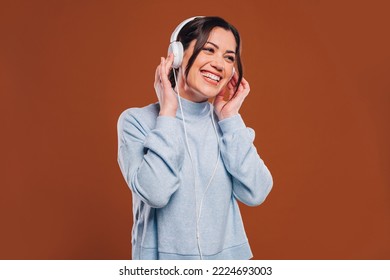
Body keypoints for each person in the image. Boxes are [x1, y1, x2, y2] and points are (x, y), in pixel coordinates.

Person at [117, 16, 273, 260]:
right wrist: (167, 114)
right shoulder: (136, 121)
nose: (219, 64)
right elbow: (155, 193)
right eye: (209, 50)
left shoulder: (226, 125)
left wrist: (230, 119)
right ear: (177, 55)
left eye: (229, 57)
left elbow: (256, 192)